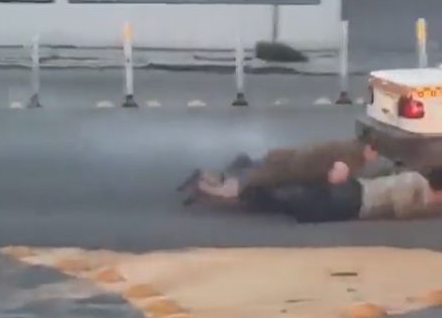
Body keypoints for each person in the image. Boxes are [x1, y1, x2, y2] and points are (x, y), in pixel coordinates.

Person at [179, 138, 386, 209]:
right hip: (287, 169)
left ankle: (204, 176)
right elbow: (335, 178)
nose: (375, 158)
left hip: (283, 156)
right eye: (376, 154)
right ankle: (202, 185)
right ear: (370, 150)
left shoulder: (349, 144)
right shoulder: (353, 157)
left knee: (243, 177)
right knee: (237, 188)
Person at [222, 164, 442, 223]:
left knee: (303, 203)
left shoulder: (417, 182)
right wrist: (432, 209)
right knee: (307, 208)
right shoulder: (413, 182)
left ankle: (256, 194)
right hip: (355, 198)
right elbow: (402, 210)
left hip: (355, 194)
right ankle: (255, 193)